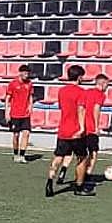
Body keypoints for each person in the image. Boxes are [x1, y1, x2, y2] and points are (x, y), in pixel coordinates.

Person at [46, 65, 92, 197]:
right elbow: (80, 110)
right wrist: (82, 128)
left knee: (58, 157)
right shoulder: (81, 92)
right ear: (79, 77)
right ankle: (79, 187)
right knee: (82, 158)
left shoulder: (62, 91)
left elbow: (62, 108)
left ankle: (49, 182)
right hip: (76, 131)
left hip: (63, 130)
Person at [4, 65, 33, 163]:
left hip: (25, 114)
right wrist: (6, 112)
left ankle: (22, 155)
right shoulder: (13, 84)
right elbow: (8, 98)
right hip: (15, 114)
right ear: (20, 73)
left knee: (26, 133)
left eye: (28, 73)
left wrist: (30, 106)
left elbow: (30, 96)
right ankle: (16, 154)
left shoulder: (29, 84)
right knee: (16, 135)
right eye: (25, 73)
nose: (26, 75)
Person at [83, 73, 110, 179]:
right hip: (91, 128)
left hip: (82, 126)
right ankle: (87, 173)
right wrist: (96, 126)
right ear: (103, 83)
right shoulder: (100, 95)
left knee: (82, 153)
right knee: (93, 152)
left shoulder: (86, 92)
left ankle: (79, 172)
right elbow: (96, 109)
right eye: (107, 84)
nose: (107, 87)